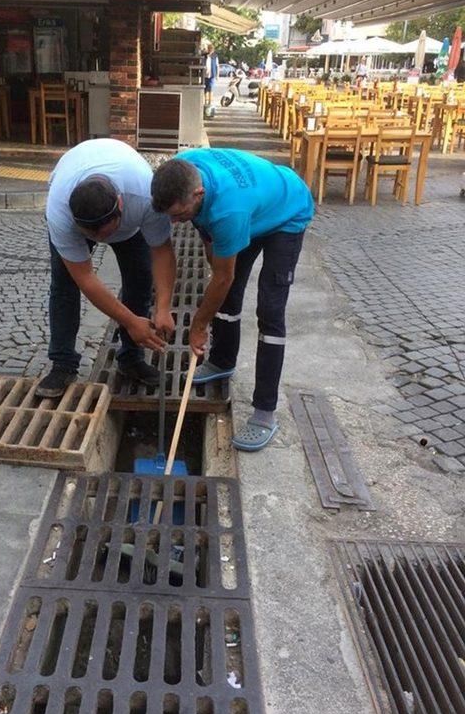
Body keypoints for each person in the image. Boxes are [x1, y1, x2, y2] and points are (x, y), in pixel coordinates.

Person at [151, 149, 314, 451]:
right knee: (227, 290)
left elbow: (222, 276)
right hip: (255, 208)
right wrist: (212, 252)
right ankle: (223, 360)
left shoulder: (228, 211)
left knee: (270, 310)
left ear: (198, 194)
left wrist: (199, 325)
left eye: (178, 215)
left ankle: (265, 412)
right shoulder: (188, 166)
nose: (173, 223)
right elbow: (211, 246)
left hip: (288, 212)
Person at [36, 138, 176, 398]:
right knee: (64, 288)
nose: (101, 241)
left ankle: (131, 360)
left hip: (130, 217)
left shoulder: (145, 195)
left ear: (120, 206)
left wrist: (164, 307)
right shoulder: (60, 212)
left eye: (107, 233)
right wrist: (131, 321)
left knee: (140, 280)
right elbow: (85, 278)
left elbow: (162, 251)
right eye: (92, 235)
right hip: (73, 178)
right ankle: (63, 363)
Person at [204, 43, 219, 109]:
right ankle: (205, 102)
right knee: (205, 88)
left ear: (213, 49)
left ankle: (210, 102)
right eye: (209, 48)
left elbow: (217, 66)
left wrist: (217, 75)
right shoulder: (204, 55)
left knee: (210, 88)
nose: (210, 49)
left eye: (211, 48)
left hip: (212, 74)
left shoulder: (215, 56)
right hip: (204, 74)